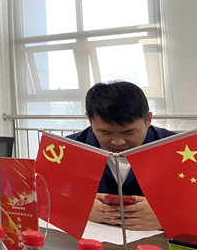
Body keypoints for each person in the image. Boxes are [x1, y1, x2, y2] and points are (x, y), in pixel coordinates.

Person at [67, 81, 175, 231]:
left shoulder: (178, 148)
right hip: (91, 239)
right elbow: (42, 197)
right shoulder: (67, 149)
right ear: (90, 121)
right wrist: (77, 207)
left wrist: (169, 217)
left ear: (148, 119)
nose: (117, 142)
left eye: (129, 132)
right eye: (105, 132)